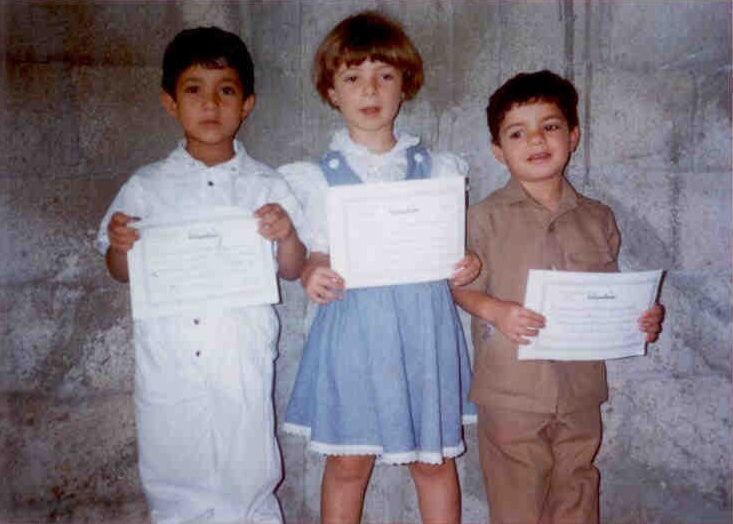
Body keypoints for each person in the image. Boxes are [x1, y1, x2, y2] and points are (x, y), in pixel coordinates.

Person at [95, 27, 306, 524]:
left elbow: (293, 269)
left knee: (247, 466)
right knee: (173, 468)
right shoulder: (146, 187)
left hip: (239, 353)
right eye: (194, 89)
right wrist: (122, 246)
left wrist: (286, 234)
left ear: (247, 103)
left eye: (225, 90)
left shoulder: (266, 185)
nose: (210, 103)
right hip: (169, 357)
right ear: (170, 102)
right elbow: (118, 270)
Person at [279, 11, 479, 524]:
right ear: (331, 91)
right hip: (354, 336)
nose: (370, 90)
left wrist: (467, 262)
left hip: (422, 333)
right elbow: (311, 254)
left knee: (433, 466)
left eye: (384, 75)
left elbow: (458, 247)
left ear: (404, 85)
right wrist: (311, 271)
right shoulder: (310, 180)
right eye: (352, 77)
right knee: (348, 464)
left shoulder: (439, 169)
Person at [452, 69, 665, 524]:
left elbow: (611, 294)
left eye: (549, 126)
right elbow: (458, 287)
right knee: (516, 504)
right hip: (511, 390)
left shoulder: (599, 217)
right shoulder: (479, 218)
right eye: (517, 132)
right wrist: (497, 311)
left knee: (577, 492)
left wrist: (642, 317)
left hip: (580, 390)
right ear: (498, 151)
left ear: (573, 136)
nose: (536, 140)